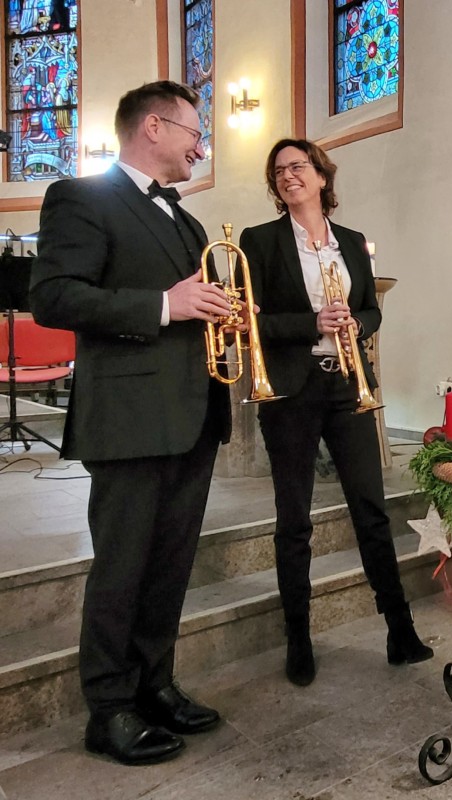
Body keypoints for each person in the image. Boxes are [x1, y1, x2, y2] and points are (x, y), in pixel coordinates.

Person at [29, 80, 230, 765]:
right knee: (122, 567)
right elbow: (53, 296)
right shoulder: (81, 198)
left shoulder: (188, 220)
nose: (200, 146)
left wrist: (213, 313)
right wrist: (164, 307)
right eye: (193, 132)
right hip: (130, 416)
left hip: (193, 414)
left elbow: (188, 301)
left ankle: (155, 684)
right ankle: (108, 708)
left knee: (170, 566)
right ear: (153, 127)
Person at [239, 138, 432, 687]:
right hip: (292, 392)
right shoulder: (260, 241)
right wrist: (313, 325)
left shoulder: (350, 242)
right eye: (278, 170)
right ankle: (298, 638)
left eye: (298, 166)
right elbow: (252, 323)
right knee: (294, 519)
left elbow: (371, 309)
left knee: (371, 508)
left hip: (349, 385)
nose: (287, 176)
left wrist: (357, 324)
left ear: (322, 177)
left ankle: (400, 629)